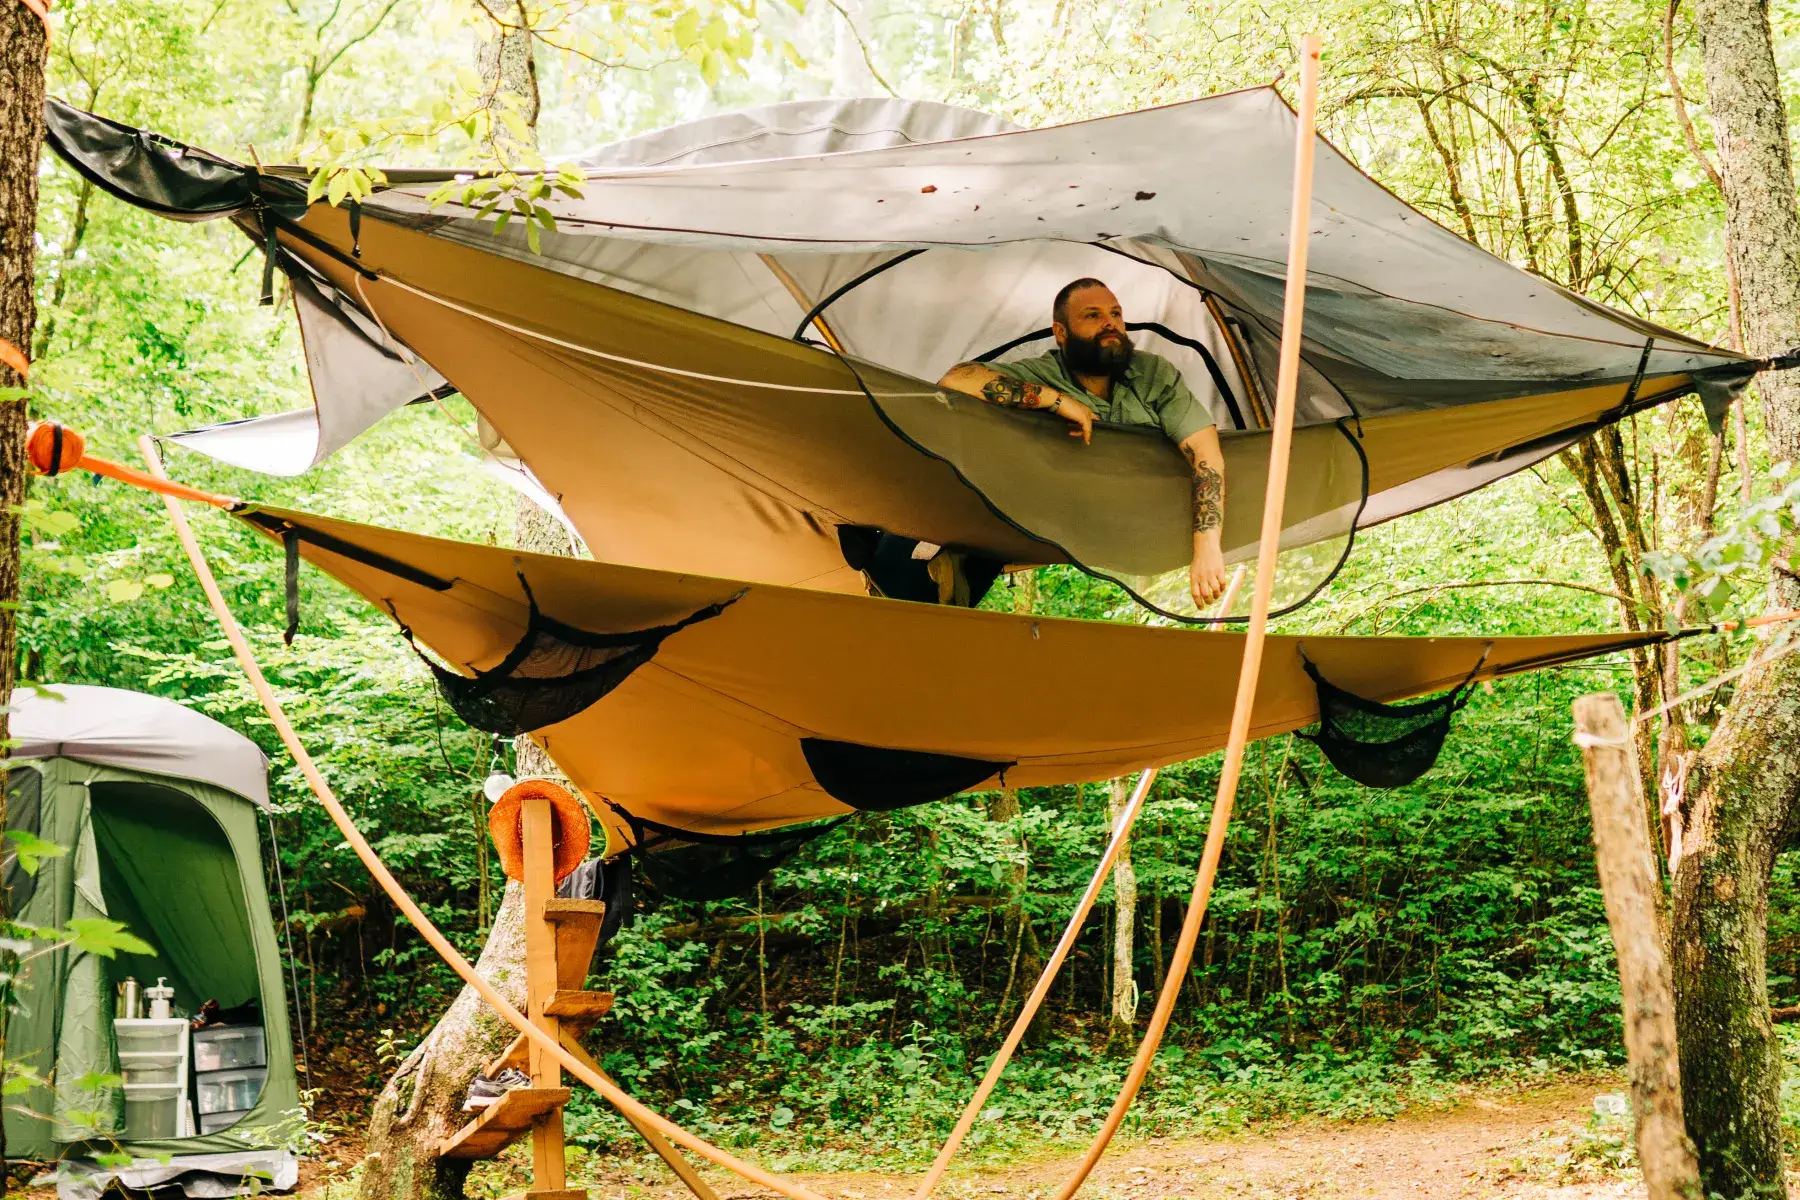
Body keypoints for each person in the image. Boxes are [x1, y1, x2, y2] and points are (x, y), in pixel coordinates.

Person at [938, 278, 1230, 609]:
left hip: (1143, 524)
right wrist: (1054, 401)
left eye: (1116, 314)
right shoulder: (1044, 373)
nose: (1110, 324)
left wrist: (1207, 546)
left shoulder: (1153, 374)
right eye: (1093, 315)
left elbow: (1206, 453)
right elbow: (956, 380)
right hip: (1053, 521)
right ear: (1061, 332)